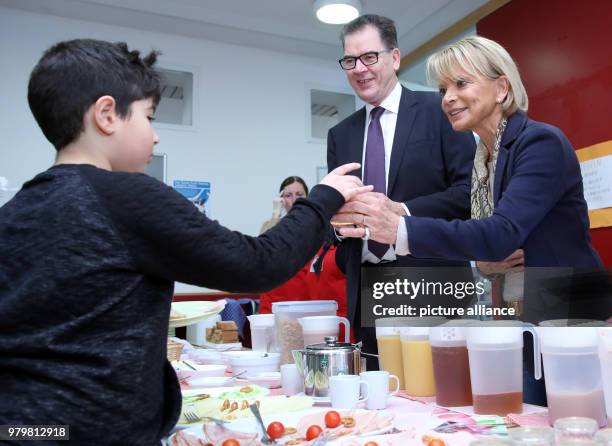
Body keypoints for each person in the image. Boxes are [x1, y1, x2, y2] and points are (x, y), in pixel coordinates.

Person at [0, 39, 370, 445]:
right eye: (148, 117)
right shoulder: (127, 196)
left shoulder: (14, 212)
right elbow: (257, 264)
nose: (155, 137)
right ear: (107, 114)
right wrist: (323, 199)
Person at [335, 35, 605, 404]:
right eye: (444, 87)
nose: (447, 97)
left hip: (569, 310)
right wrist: (483, 263)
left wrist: (400, 227)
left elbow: (502, 232)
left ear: (501, 88)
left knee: (575, 424)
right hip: (521, 309)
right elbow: (493, 244)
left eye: (461, 83)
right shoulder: (485, 160)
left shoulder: (540, 142)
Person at [327, 14, 476, 358]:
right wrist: (335, 226)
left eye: (369, 57)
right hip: (367, 288)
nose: (359, 68)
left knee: (440, 401)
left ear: (394, 58)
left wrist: (401, 214)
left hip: (432, 281)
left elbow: (469, 193)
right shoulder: (341, 134)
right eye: (350, 60)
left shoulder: (440, 109)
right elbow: (334, 214)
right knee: (378, 396)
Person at [259, 177, 348, 328]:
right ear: (281, 200)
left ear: (307, 198)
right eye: (288, 195)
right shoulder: (273, 226)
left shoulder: (320, 227)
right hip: (277, 306)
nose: (294, 199)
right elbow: (262, 252)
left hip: (309, 306)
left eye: (299, 194)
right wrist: (275, 213)